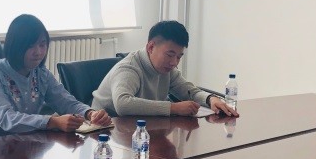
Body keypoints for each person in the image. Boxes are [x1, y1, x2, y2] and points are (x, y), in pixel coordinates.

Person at [0, 14, 112, 137]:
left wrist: (90, 113)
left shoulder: (41, 73)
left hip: (22, 139)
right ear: (15, 46)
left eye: (42, 45)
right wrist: (53, 122)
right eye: (30, 46)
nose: (38, 52)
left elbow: (65, 102)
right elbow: (6, 118)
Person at [91, 20, 238, 118]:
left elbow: (189, 91)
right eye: (170, 55)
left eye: (179, 56)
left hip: (140, 128)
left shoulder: (167, 69)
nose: (174, 62)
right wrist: (173, 108)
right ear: (151, 47)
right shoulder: (129, 68)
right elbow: (123, 104)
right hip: (107, 132)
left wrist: (210, 99)